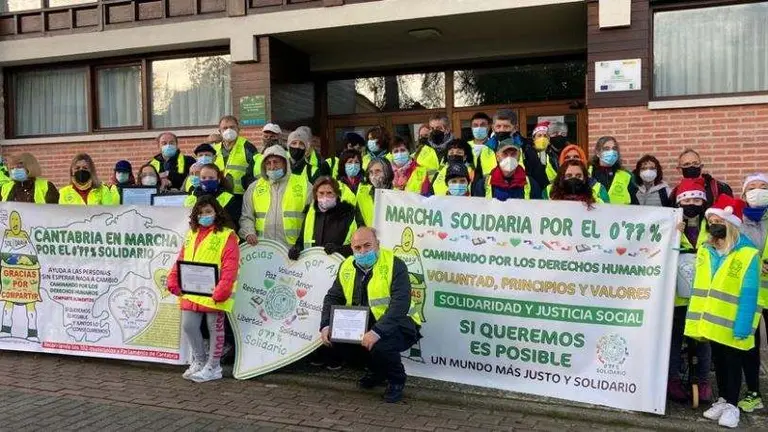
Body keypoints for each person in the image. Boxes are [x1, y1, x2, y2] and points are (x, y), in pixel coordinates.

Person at [320, 227, 422, 403]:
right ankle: (377, 371)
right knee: (337, 340)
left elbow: (400, 304)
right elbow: (333, 297)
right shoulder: (346, 266)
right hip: (363, 322)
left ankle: (396, 380)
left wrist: (377, 332)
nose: (362, 251)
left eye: (367, 246)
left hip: (400, 323)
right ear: (352, 248)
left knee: (381, 345)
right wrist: (326, 324)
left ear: (378, 244)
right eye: (357, 248)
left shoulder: (395, 265)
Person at [685, 195, 760, 429]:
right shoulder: (706, 250)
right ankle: (723, 399)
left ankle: (732, 406)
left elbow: (749, 293)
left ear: (731, 224)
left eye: (719, 221)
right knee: (718, 361)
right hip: (711, 321)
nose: (714, 225)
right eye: (711, 221)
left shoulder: (748, 253)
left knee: (733, 364)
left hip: (733, 322)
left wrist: (743, 325)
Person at [167, 195, 239, 383]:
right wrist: (173, 279)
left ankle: (214, 367)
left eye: (208, 211)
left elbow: (230, 265)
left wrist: (223, 289)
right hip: (191, 289)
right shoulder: (191, 234)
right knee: (189, 325)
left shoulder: (227, 235)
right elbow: (182, 259)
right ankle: (199, 361)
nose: (204, 216)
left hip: (215, 290)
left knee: (214, 327)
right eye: (200, 213)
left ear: (216, 212)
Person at [668, 178, 712, 403]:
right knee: (674, 338)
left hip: (704, 295)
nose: (692, 204)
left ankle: (703, 381)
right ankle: (672, 379)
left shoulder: (711, 225)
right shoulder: (671, 223)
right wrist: (672, 234)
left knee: (702, 339)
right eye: (687, 200)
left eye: (696, 200)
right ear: (679, 203)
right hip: (677, 297)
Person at [240, 146, 312, 248]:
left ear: (285, 163)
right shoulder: (254, 187)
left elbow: (313, 217)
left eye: (276, 162)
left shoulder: (304, 185)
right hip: (264, 248)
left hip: (294, 249)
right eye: (268, 163)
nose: (272, 166)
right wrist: (249, 232)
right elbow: (246, 216)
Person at [738, 173, 768, 413]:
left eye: (763, 187)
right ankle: (753, 392)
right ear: (744, 194)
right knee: (750, 344)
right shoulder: (736, 222)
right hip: (748, 292)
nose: (757, 191)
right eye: (752, 188)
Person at [290, 176, 356, 260]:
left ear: (336, 194)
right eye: (321, 193)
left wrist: (339, 250)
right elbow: (301, 240)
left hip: (337, 264)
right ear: (316, 194)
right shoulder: (310, 214)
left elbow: (357, 246)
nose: (325, 197)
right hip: (311, 263)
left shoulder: (347, 215)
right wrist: (296, 249)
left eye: (329, 193)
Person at [488, 110, 547, 188]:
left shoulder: (526, 148)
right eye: (498, 126)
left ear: (515, 128)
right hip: (492, 193)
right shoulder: (486, 149)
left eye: (506, 126)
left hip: (522, 193)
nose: (502, 130)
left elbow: (539, 178)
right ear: (493, 128)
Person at [213, 115, 258, 201]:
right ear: (220, 131)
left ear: (238, 129)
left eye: (232, 127)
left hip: (241, 196)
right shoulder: (215, 150)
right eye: (225, 128)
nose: (228, 130)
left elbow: (255, 174)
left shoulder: (248, 147)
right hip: (218, 195)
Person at [185, 164, 239, 231]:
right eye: (203, 178)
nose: (207, 180)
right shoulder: (192, 197)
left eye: (211, 178)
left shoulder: (228, 198)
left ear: (218, 179)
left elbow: (233, 223)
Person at [589, 136, 638, 205]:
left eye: (614, 148)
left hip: (619, 212)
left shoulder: (626, 176)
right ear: (598, 153)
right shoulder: (587, 173)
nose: (611, 152)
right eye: (606, 149)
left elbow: (635, 205)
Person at [356, 158, 394, 227]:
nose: (374, 175)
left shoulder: (398, 193)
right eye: (371, 172)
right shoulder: (363, 196)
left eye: (378, 171)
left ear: (387, 172)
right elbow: (359, 222)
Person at [466, 112, 497, 179]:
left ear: (489, 127)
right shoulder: (464, 147)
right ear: (471, 128)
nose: (479, 128)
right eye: (475, 125)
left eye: (482, 125)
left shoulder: (496, 146)